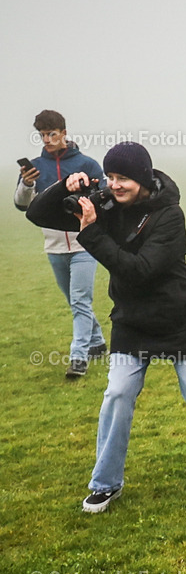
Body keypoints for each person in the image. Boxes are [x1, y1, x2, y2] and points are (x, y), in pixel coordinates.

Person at [27, 142, 186, 513]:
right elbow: (37, 214)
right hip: (132, 320)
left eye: (123, 178)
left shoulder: (170, 216)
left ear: (143, 178)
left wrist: (92, 233)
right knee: (117, 394)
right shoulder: (104, 205)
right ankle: (105, 484)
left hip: (180, 317)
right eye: (110, 176)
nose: (115, 184)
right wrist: (64, 188)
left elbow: (140, 270)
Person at [14, 110, 106, 378]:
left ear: (64, 133)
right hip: (53, 247)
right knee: (75, 301)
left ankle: (79, 359)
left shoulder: (87, 164)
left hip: (84, 245)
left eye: (52, 133)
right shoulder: (34, 167)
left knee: (80, 301)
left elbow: (103, 197)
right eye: (42, 134)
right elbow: (22, 206)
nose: (47, 139)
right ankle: (97, 341)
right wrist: (27, 185)